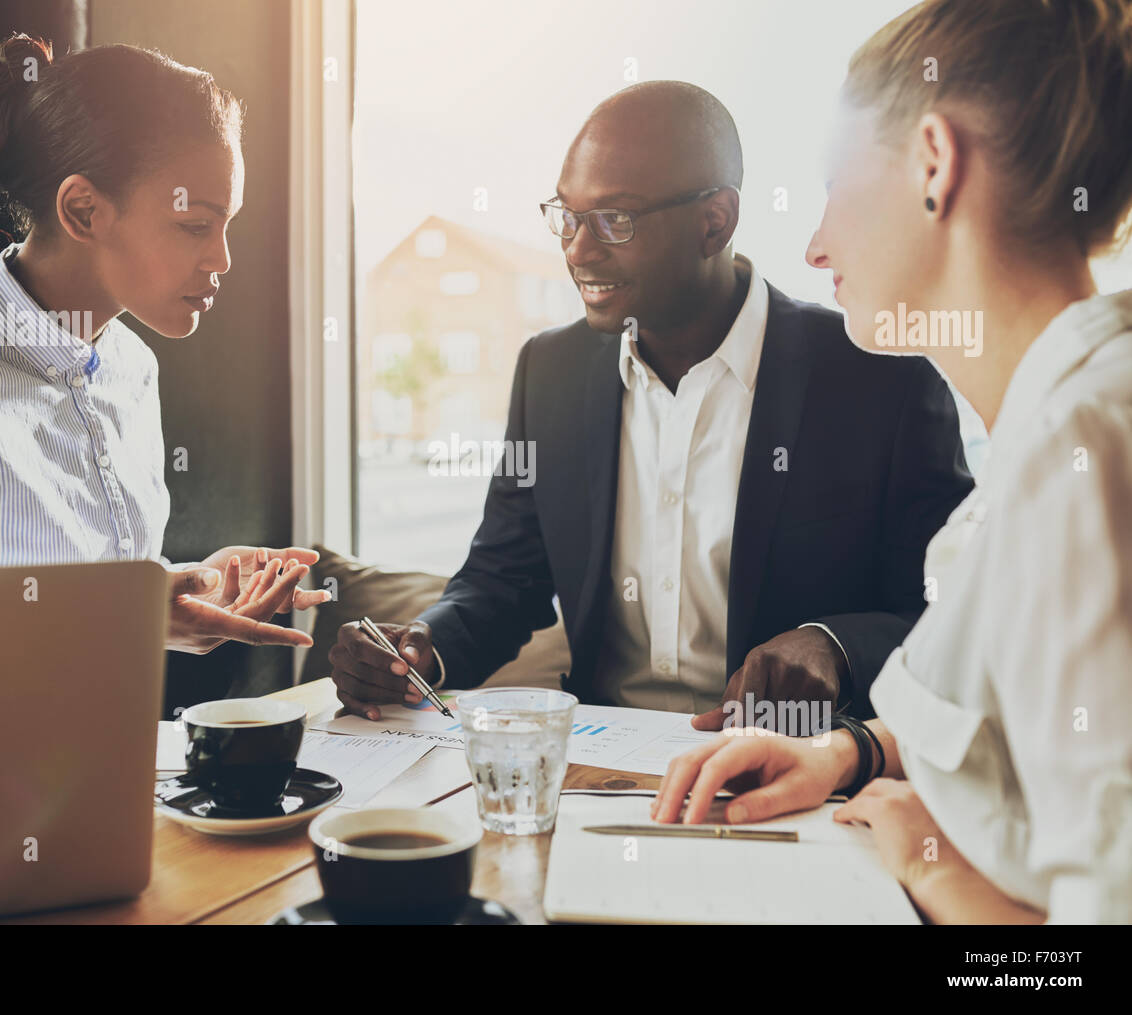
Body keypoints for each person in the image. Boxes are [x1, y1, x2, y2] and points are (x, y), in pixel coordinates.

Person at [654, 0, 1132, 924]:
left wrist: (935, 865)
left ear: (933, 163)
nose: (815, 244)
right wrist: (847, 754)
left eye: (836, 184)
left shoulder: (1081, 461)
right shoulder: (1061, 429)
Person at [330, 81, 973, 724]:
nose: (579, 250)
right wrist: (421, 646)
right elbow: (502, 578)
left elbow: (953, 613)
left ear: (714, 222)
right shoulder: (548, 372)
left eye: (616, 219)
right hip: (595, 762)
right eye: (568, 217)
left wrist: (834, 647)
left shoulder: (881, 379)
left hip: (789, 763)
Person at [0, 34, 325, 654]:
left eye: (227, 226)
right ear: (84, 211)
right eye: (195, 225)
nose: (222, 259)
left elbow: (71, 602)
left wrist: (182, 592)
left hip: (111, 751)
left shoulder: (130, 369)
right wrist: (123, 618)